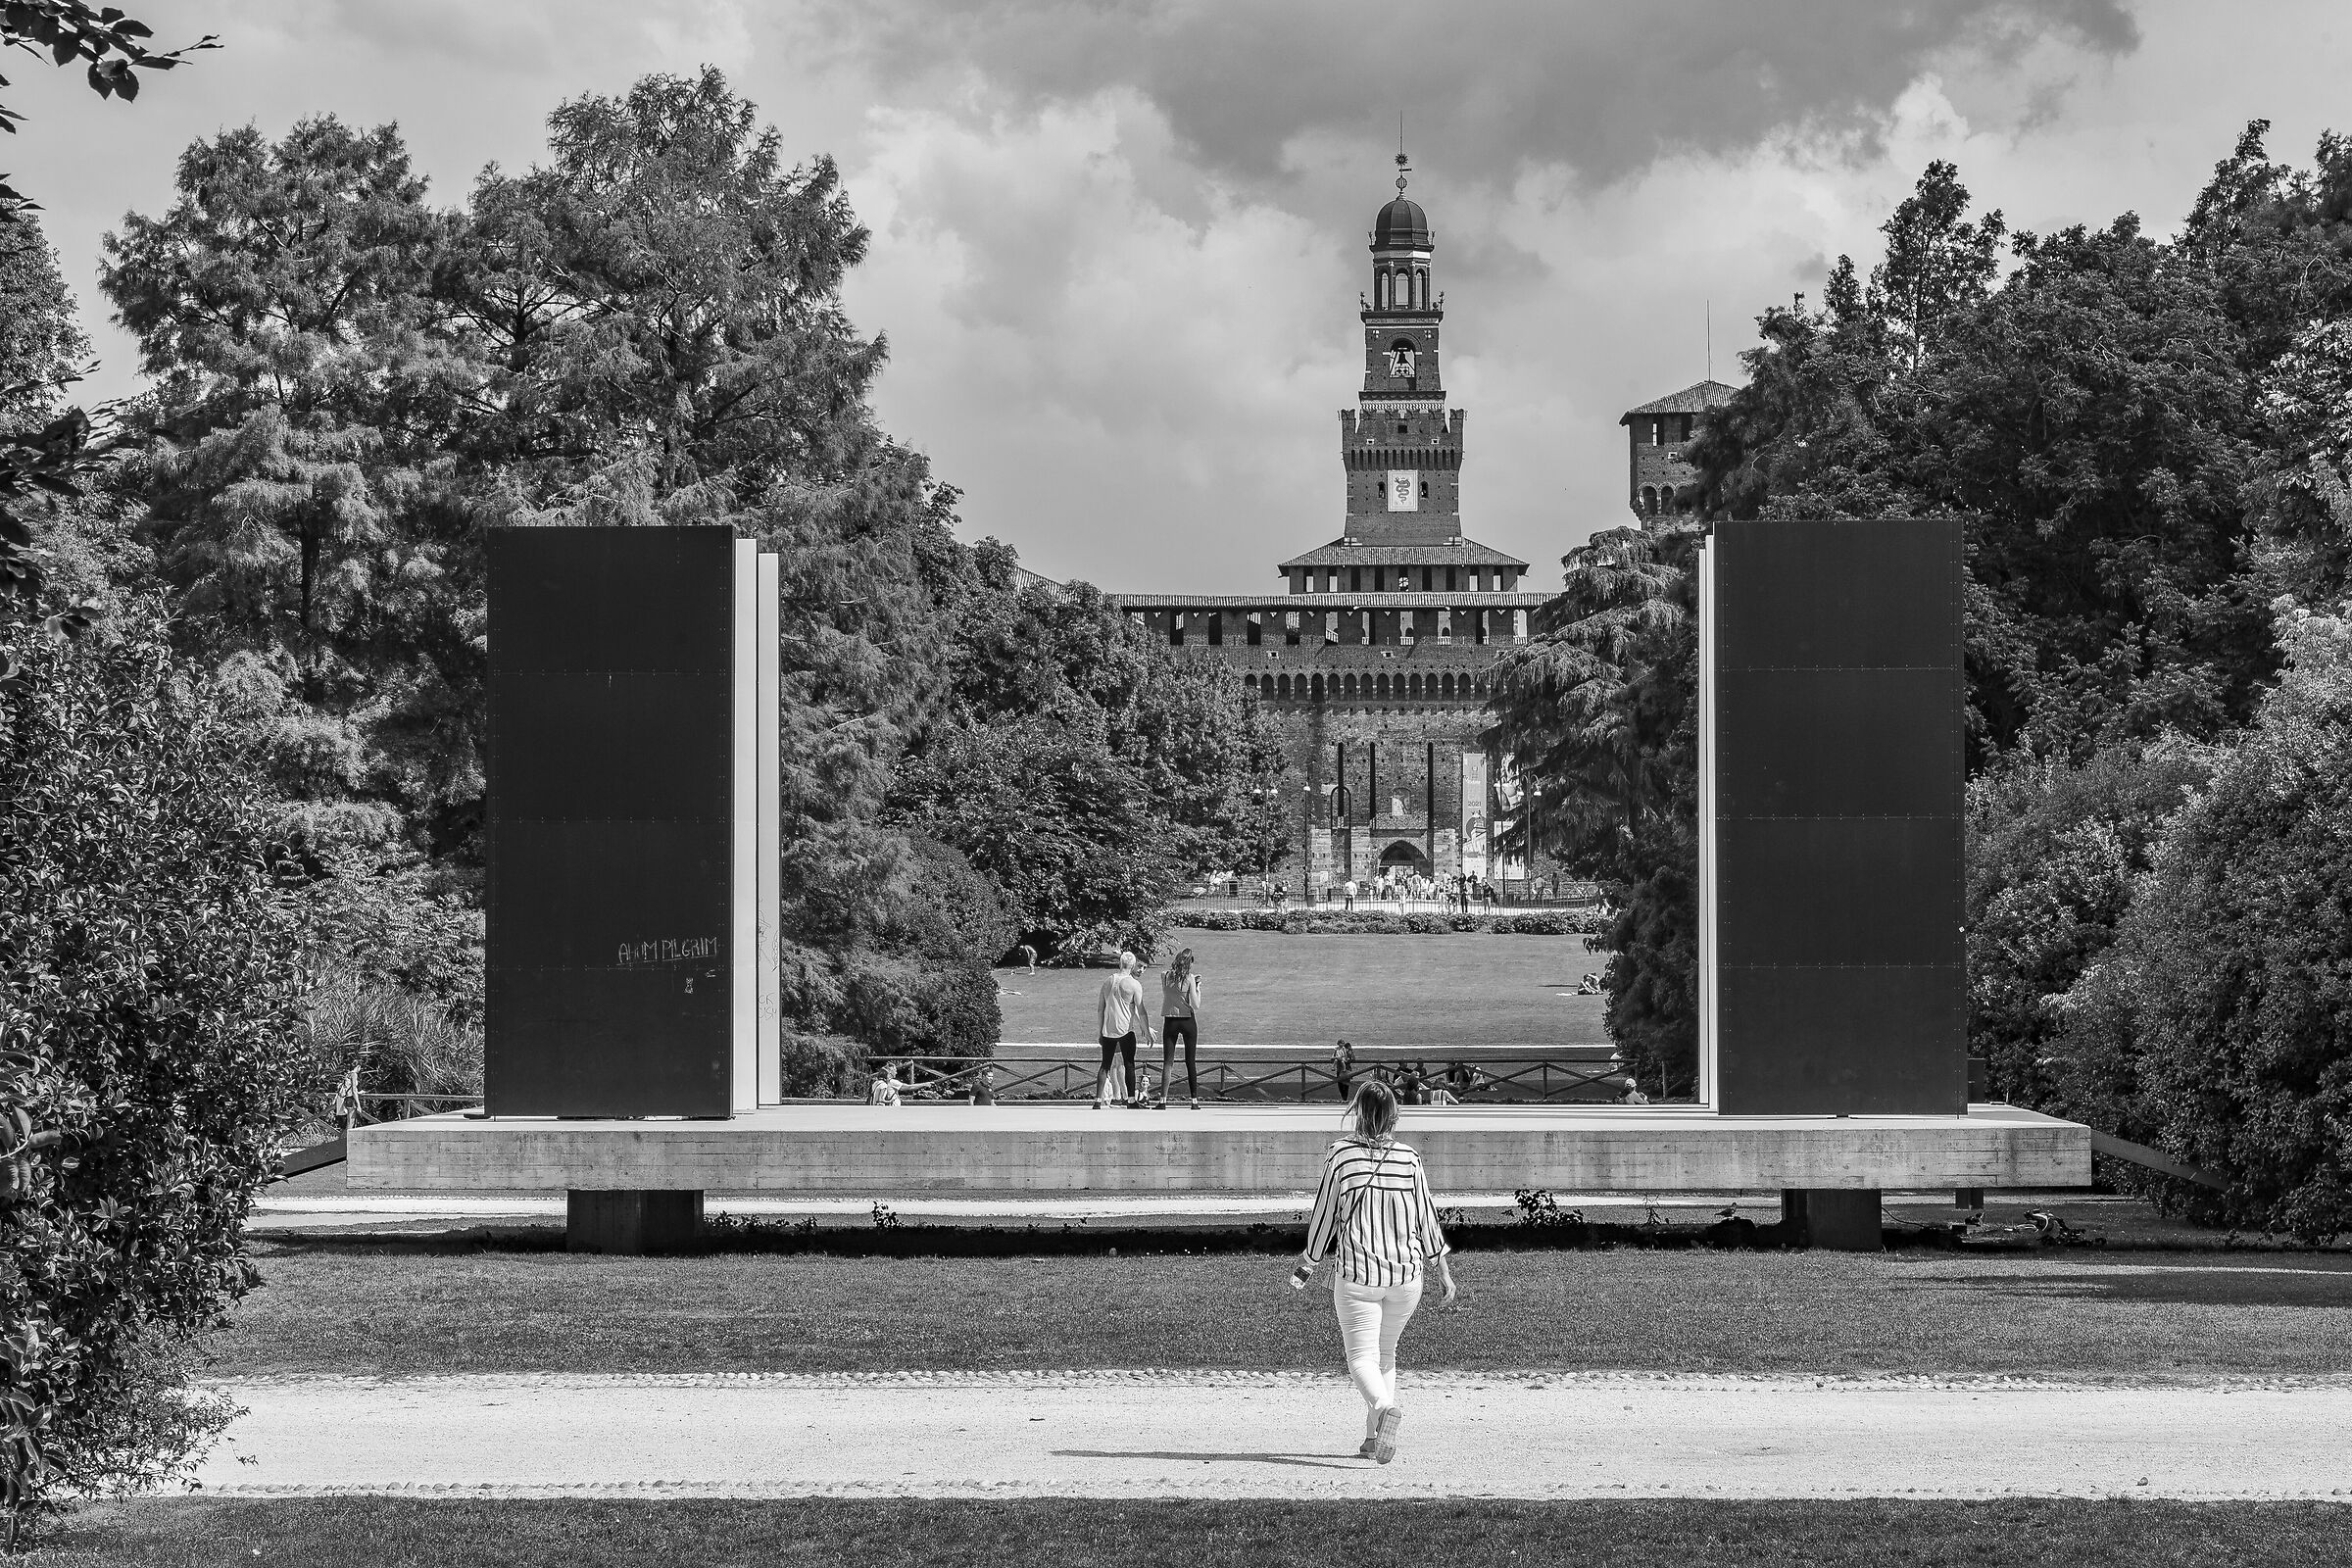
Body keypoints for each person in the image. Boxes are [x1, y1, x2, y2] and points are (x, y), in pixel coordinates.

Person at [1288, 1080, 1456, 1464]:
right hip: (1406, 1274)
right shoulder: (1409, 1158)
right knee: (1386, 1354)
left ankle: (1382, 1412)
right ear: (1394, 1115)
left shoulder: (1341, 1156)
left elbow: (1325, 1216)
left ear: (1358, 1113)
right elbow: (1426, 1218)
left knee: (1360, 1358)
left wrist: (1307, 1265)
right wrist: (1442, 1269)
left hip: (1359, 1273)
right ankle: (1372, 1439)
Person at [1094, 951, 1154, 1109]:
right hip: (1126, 1031)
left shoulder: (1108, 981)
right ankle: (1131, 1100)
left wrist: (1100, 1031)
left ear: (1120, 964)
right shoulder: (1134, 984)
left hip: (1108, 1031)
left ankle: (1097, 1101)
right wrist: (1146, 1029)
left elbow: (1101, 1009)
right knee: (1129, 1065)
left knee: (1105, 1065)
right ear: (1133, 965)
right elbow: (1141, 1010)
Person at [1159, 947, 1204, 1109]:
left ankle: (1162, 1100)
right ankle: (1194, 1101)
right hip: (1187, 1019)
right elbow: (1196, 1004)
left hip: (1170, 1019)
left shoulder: (1165, 975)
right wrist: (1198, 987)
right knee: (1190, 1060)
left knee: (1168, 1062)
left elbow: (1166, 993)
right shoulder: (1190, 978)